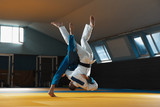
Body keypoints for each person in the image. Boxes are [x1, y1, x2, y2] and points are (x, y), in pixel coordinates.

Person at [48, 16, 98, 97]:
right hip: (84, 59)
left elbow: (95, 86)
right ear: (71, 83)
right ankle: (61, 27)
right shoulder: (71, 77)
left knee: (83, 40)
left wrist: (89, 78)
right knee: (71, 43)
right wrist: (62, 74)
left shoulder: (85, 86)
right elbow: (63, 72)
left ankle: (91, 26)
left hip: (90, 58)